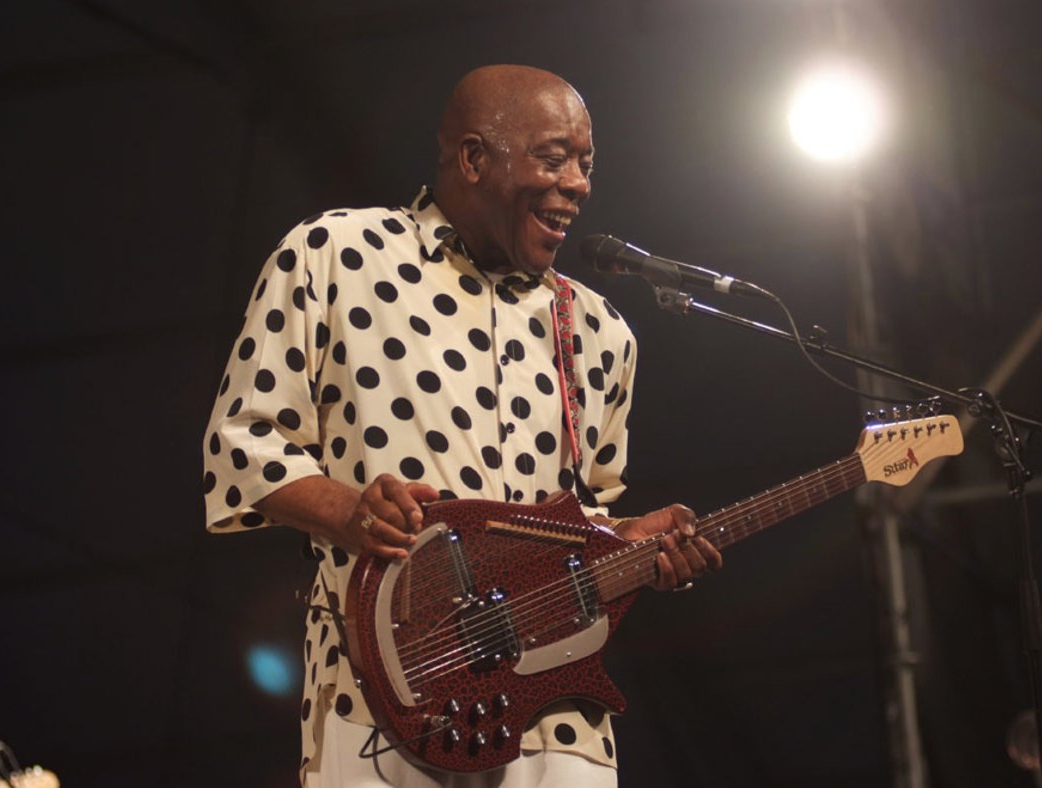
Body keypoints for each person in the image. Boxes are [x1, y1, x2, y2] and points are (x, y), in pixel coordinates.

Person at [202, 64, 722, 787]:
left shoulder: (601, 331)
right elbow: (241, 445)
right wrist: (350, 511)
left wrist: (629, 543)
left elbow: (587, 517)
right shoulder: (336, 255)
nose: (578, 182)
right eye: (553, 157)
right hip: (383, 696)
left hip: (554, 713)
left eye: (586, 162)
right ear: (474, 158)